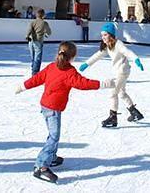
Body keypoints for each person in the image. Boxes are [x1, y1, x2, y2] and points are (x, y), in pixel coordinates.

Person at [15, 41, 115, 184]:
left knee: (53, 134)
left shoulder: (51, 66)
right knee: (54, 136)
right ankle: (42, 166)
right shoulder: (69, 72)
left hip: (45, 105)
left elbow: (37, 79)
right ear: (72, 57)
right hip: (53, 109)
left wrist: (22, 86)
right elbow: (83, 83)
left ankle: (51, 157)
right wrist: (104, 84)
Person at [79, 22, 145, 127]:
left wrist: (136, 59)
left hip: (122, 72)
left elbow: (127, 52)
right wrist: (87, 63)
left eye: (105, 35)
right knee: (122, 93)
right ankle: (135, 112)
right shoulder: (107, 46)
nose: (103, 37)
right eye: (102, 35)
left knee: (113, 93)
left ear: (111, 34)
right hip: (119, 72)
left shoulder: (118, 44)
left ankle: (113, 118)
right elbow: (98, 55)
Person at [26, 9, 51, 75]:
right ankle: (35, 72)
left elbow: (29, 30)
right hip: (38, 40)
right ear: (43, 15)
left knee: (33, 56)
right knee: (37, 57)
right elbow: (49, 32)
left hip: (31, 40)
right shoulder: (44, 23)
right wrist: (45, 33)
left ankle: (33, 68)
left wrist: (27, 36)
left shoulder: (32, 22)